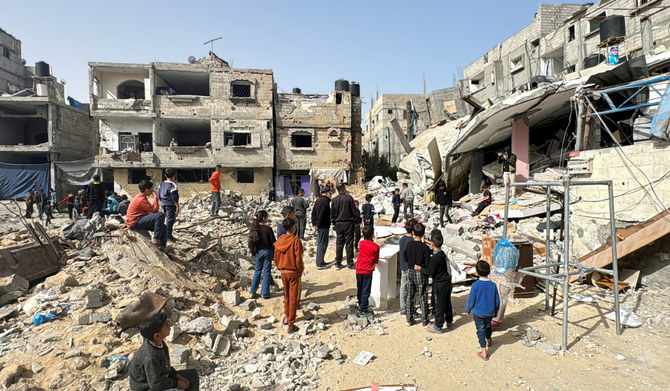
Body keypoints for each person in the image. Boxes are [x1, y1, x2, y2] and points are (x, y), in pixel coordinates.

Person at [129, 312, 199, 391]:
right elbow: (156, 384)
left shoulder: (160, 343)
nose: (169, 327)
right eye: (166, 325)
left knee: (192, 375)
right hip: (146, 387)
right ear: (157, 335)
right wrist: (177, 383)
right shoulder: (150, 357)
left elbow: (166, 367)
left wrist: (176, 375)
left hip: (160, 378)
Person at [415, 231, 453, 334]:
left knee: (438, 304)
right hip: (446, 281)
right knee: (446, 302)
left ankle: (438, 326)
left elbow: (429, 272)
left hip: (439, 283)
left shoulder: (434, 258)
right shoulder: (441, 253)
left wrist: (420, 268)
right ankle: (449, 321)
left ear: (432, 244)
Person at [273, 218, 304, 333]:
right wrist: (300, 270)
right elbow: (298, 258)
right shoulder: (295, 241)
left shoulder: (279, 240)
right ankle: (291, 323)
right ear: (293, 227)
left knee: (286, 295)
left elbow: (275, 257)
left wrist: (280, 267)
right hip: (293, 272)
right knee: (294, 297)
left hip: (283, 271)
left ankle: (286, 316)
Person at [466, 260, 501, 361]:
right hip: (489, 312)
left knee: (480, 330)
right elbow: (497, 300)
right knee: (488, 326)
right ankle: (489, 340)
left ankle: (483, 351)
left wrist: (468, 310)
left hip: (478, 313)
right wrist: (496, 311)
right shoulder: (493, 285)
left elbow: (471, 299)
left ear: (476, 272)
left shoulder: (475, 285)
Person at [126, 180, 167, 250]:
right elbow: (155, 210)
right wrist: (155, 197)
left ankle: (161, 247)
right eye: (152, 190)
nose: (153, 191)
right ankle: (156, 238)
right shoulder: (141, 200)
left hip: (139, 219)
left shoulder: (140, 197)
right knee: (160, 215)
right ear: (147, 190)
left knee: (164, 227)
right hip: (135, 222)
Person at [404, 222, 431, 327]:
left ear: (413, 232)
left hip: (410, 271)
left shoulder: (409, 245)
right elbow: (428, 263)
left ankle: (409, 318)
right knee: (423, 295)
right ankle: (425, 320)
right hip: (420, 272)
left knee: (410, 295)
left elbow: (405, 258)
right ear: (423, 234)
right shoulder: (425, 248)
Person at [248, 210, 275, 300]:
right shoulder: (268, 229)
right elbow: (273, 242)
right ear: (264, 218)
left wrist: (253, 253)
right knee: (266, 271)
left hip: (259, 252)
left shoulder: (254, 228)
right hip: (268, 251)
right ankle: (265, 293)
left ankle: (252, 292)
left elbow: (251, 242)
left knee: (257, 271)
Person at [331, 184, 358, 270]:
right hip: (348, 223)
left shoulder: (334, 200)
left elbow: (332, 214)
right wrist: (355, 220)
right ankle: (349, 263)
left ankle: (338, 263)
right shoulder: (349, 198)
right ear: (343, 189)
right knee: (349, 243)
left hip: (338, 224)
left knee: (339, 243)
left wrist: (334, 223)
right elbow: (354, 212)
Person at [356, 226, 380, 315]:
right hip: (368, 270)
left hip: (359, 269)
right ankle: (364, 308)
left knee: (360, 288)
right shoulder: (375, 247)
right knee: (366, 290)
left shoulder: (361, 243)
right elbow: (376, 260)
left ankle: (360, 303)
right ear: (372, 235)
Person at [398, 218, 416, 317]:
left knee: (403, 286)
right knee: (410, 288)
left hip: (403, 266)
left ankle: (403, 307)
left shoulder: (402, 239)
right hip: (410, 267)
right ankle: (408, 307)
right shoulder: (412, 241)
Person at [311, 186, 331, 270]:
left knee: (322, 243)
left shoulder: (318, 200)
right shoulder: (325, 201)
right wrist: (317, 225)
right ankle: (319, 263)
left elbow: (313, 214)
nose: (331, 193)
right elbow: (321, 214)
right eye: (330, 192)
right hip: (323, 226)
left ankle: (321, 260)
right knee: (322, 244)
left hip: (320, 225)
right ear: (326, 192)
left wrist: (314, 224)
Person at [158, 168, 180, 242]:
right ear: (174, 176)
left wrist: (161, 203)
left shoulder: (161, 184)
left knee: (167, 219)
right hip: (170, 205)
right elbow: (174, 197)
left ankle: (166, 234)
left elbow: (159, 194)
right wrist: (177, 206)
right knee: (170, 220)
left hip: (164, 203)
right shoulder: (173, 185)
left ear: (165, 175)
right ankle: (168, 236)